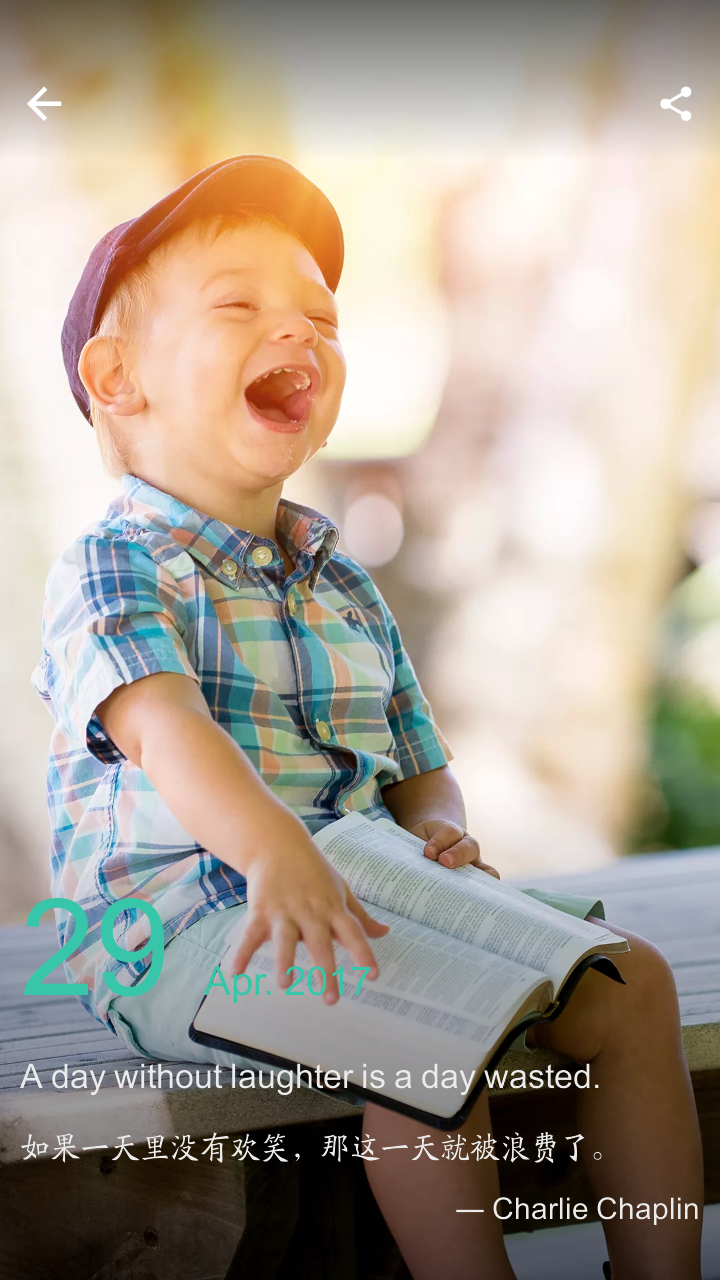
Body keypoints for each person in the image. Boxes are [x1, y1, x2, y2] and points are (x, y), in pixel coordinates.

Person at [33, 156, 703, 1279]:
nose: (296, 331)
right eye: (239, 304)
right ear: (118, 376)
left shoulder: (337, 574)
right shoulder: (116, 564)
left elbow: (416, 758)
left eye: (320, 317)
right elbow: (166, 728)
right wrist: (275, 848)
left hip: (357, 879)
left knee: (631, 982)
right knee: (437, 1030)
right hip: (181, 926)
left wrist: (438, 822)